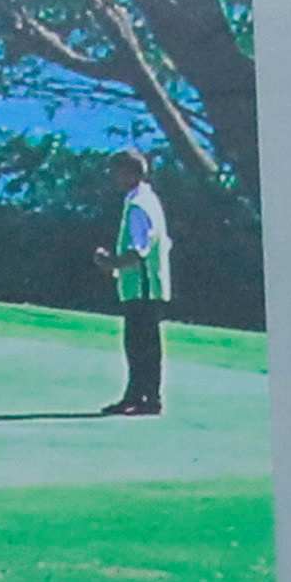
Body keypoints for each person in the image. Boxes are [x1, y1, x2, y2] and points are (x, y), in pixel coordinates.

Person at [107, 146, 177, 416]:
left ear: (131, 173)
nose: (114, 177)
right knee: (141, 344)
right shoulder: (147, 200)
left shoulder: (138, 205)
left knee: (141, 346)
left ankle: (147, 398)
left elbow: (138, 250)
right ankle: (138, 395)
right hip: (146, 286)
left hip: (142, 287)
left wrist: (110, 262)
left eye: (117, 172)